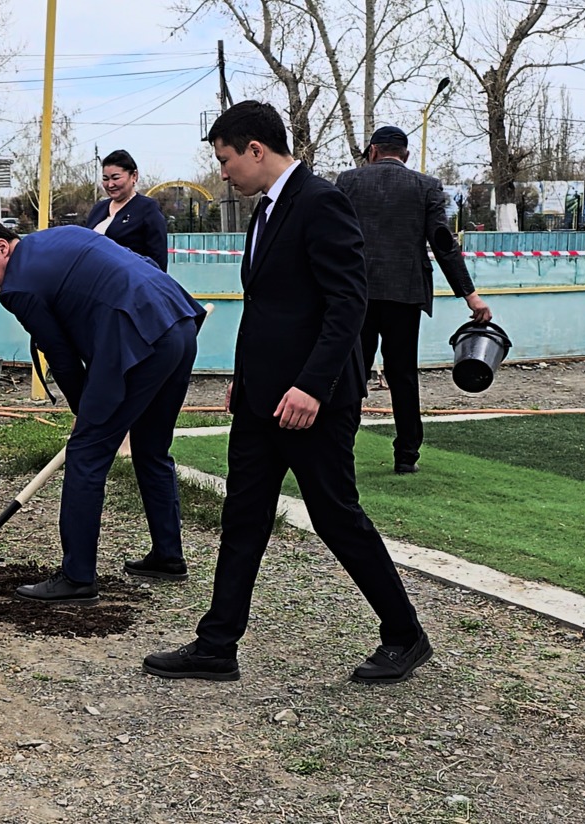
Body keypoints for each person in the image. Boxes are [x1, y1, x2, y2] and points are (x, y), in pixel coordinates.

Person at [143, 101, 431, 684]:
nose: (222, 172)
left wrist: (311, 386)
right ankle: (217, 643)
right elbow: (270, 309)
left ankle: (405, 634)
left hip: (311, 402)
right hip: (260, 400)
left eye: (225, 159)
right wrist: (242, 378)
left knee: (335, 516)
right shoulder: (266, 213)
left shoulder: (321, 202)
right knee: (243, 512)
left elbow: (348, 303)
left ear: (256, 149)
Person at [0, 221, 205, 604]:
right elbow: (138, 261)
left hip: (139, 338)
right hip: (178, 321)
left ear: (2, 247)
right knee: (152, 448)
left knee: (86, 455)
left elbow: (60, 354)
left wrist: (84, 413)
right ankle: (167, 556)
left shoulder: (18, 287)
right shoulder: (63, 234)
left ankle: (77, 577)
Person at [335, 125, 491, 474]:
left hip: (354, 296)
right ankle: (406, 456)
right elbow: (443, 243)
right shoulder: (425, 187)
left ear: (372, 151)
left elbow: (330, 239)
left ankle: (340, 447)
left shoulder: (346, 183)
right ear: (405, 156)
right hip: (404, 297)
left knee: (351, 373)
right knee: (403, 374)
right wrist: (471, 296)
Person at [85, 150, 168, 271]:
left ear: (134, 176)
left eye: (116, 178)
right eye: (105, 179)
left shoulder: (148, 209)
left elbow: (158, 259)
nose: (110, 184)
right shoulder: (98, 209)